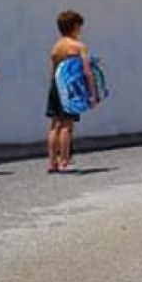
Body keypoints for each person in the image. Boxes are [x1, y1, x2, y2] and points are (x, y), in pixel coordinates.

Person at [46, 10, 97, 174]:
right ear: (75, 26)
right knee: (67, 125)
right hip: (69, 88)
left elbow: (53, 71)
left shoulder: (56, 47)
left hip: (55, 85)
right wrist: (92, 92)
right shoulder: (78, 46)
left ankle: (52, 162)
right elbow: (87, 71)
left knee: (55, 124)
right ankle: (64, 161)